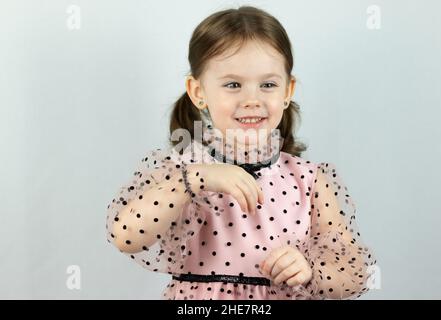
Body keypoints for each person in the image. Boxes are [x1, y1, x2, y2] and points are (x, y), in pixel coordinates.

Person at [105, 5, 377, 300]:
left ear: (288, 91)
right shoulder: (183, 170)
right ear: (198, 92)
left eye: (268, 84)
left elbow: (353, 272)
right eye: (233, 84)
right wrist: (194, 179)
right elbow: (126, 235)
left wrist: (311, 268)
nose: (252, 99)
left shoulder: (309, 180)